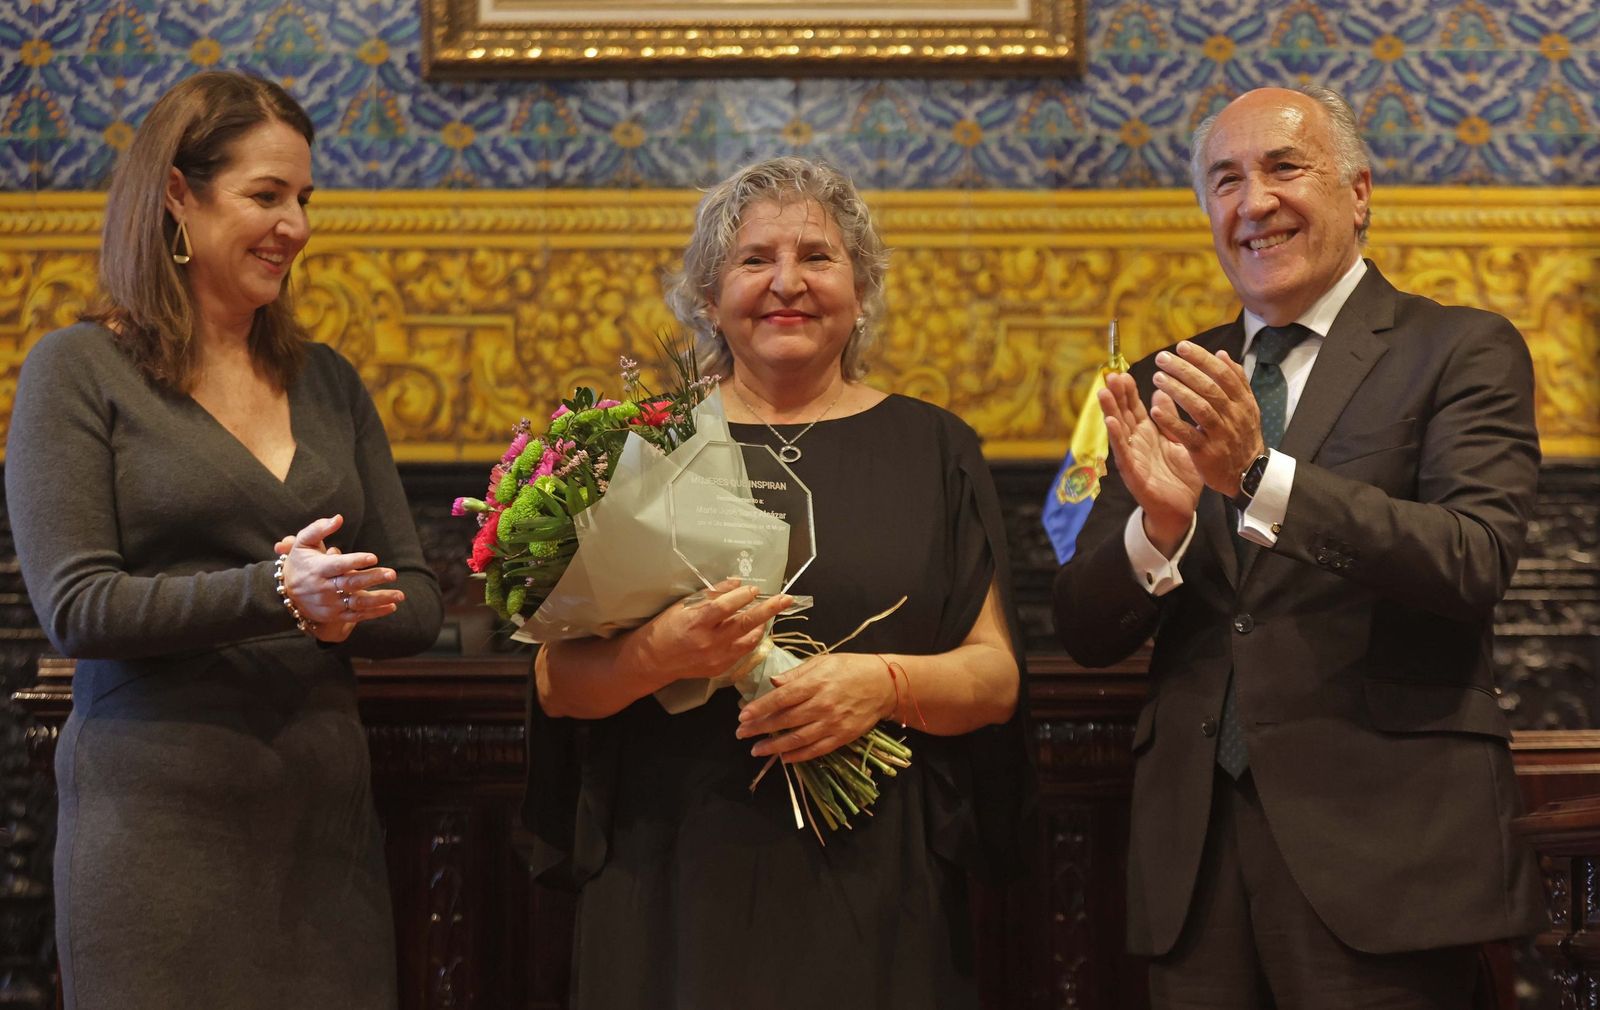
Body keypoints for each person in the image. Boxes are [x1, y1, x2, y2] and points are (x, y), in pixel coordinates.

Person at [1053, 84, 1543, 1007]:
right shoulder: (1169, 379)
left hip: (1386, 855)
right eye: (1225, 180)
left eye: (1284, 167)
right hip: (1193, 862)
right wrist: (1158, 530)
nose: (1254, 202)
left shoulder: (1461, 350)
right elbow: (1080, 628)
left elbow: (1474, 560)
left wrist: (1259, 477)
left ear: (1358, 192)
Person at [527, 156, 1033, 1009]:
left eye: (818, 258)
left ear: (862, 290)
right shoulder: (633, 447)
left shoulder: (934, 450)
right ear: (707, 295)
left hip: (876, 883)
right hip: (670, 877)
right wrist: (658, 653)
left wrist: (884, 684)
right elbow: (557, 688)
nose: (786, 284)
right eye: (755, 260)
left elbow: (995, 681)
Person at [5, 71, 443, 1009]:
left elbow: (420, 597)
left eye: (304, 199)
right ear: (176, 194)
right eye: (266, 196)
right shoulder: (76, 370)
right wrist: (280, 593)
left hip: (324, 843)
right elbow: (78, 607)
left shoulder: (328, 380)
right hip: (157, 840)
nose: (296, 225)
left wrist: (344, 616)